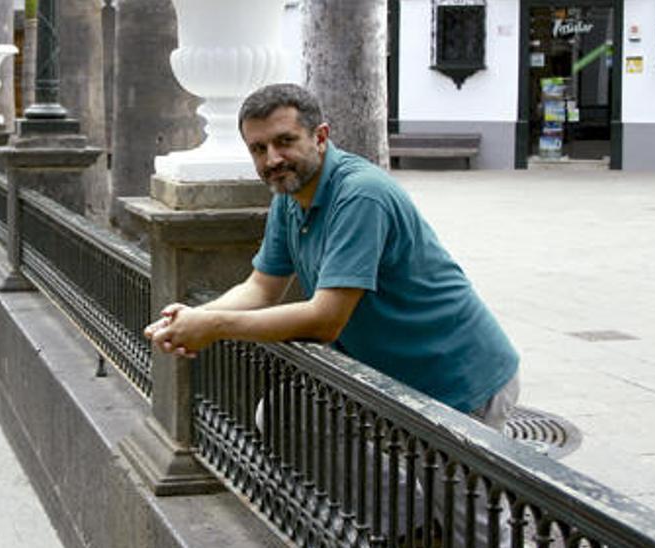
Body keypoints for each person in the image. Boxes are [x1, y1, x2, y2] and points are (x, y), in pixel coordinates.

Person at [143, 83, 519, 544]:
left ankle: (424, 525)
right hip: (398, 386)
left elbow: (326, 318)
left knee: (476, 533)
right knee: (286, 413)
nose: (271, 160)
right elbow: (261, 287)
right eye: (258, 149)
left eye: (284, 141)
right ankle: (411, 527)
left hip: (459, 381)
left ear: (320, 136)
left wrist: (215, 326)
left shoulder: (359, 195)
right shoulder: (289, 197)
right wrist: (194, 317)